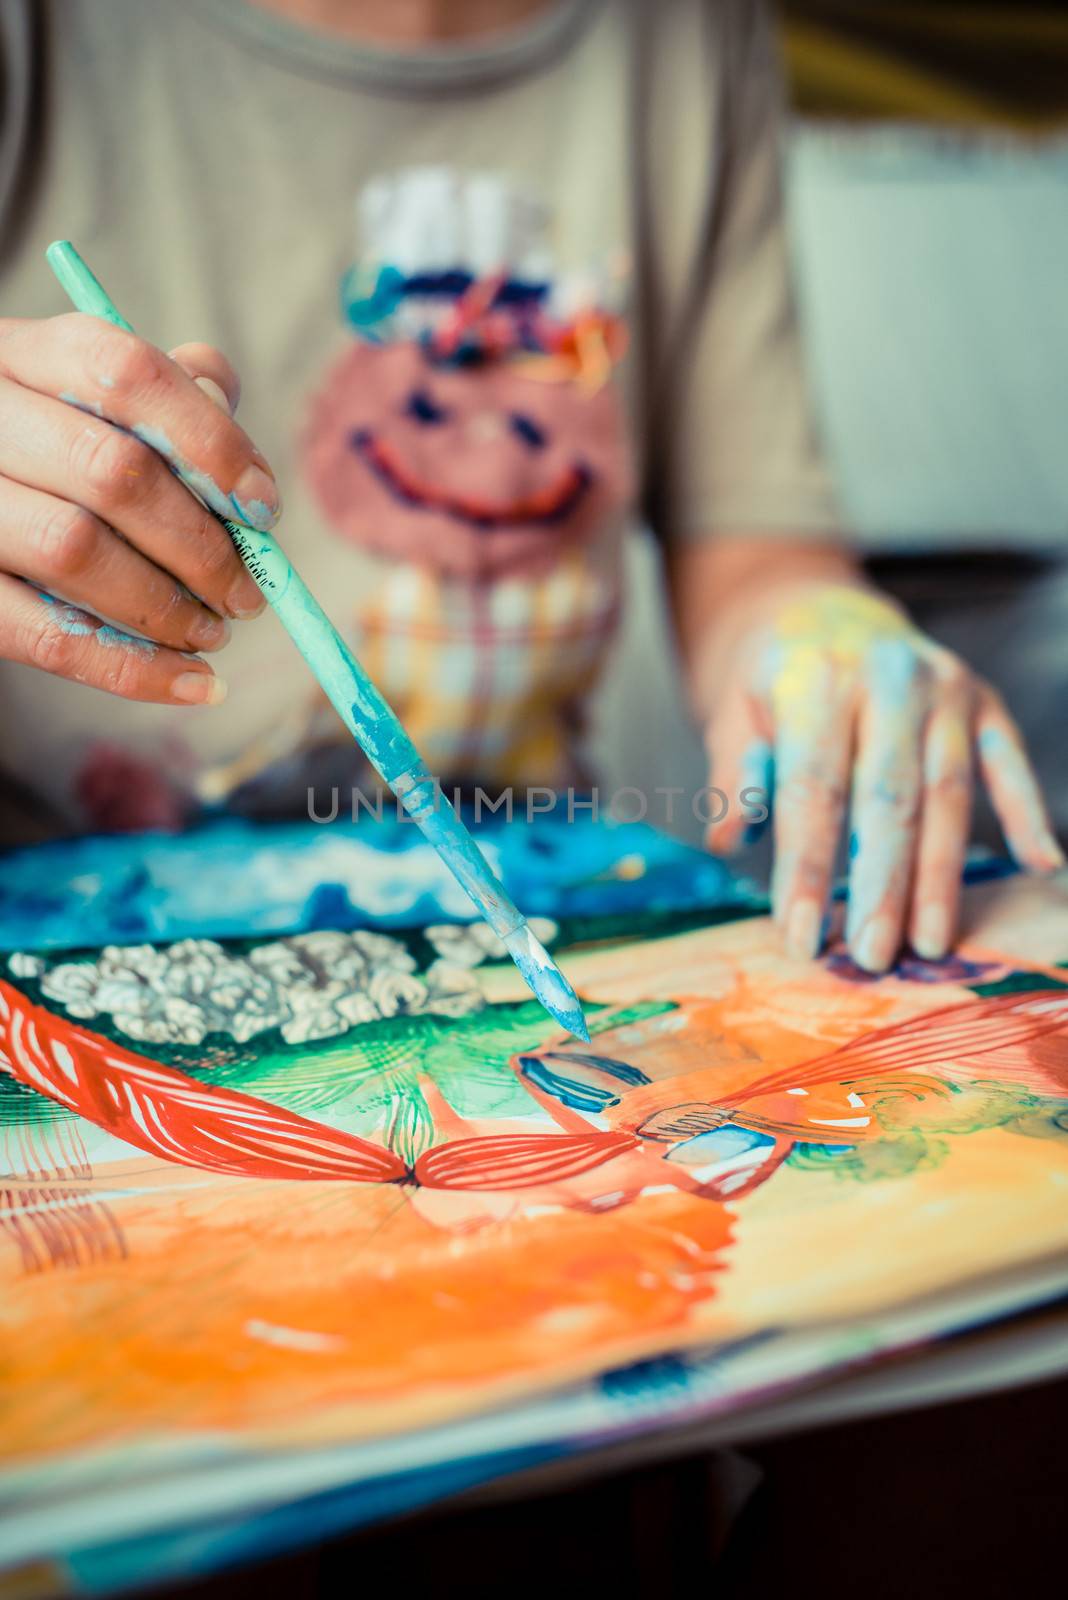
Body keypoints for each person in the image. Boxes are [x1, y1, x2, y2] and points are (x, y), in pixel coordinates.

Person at [0, 0, 1059, 971]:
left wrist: (824, 638)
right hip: (70, 922)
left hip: (535, 909)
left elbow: (754, 553)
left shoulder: (691, 30)